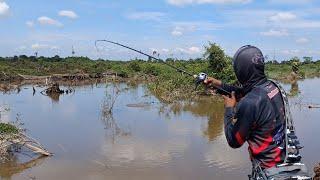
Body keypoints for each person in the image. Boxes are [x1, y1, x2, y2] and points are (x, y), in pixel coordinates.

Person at [204, 45, 310, 179]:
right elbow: (243, 92)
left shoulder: (249, 103)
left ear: (240, 70)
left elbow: (234, 141)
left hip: (269, 172)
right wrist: (217, 84)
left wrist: (229, 109)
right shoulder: (274, 86)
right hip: (289, 164)